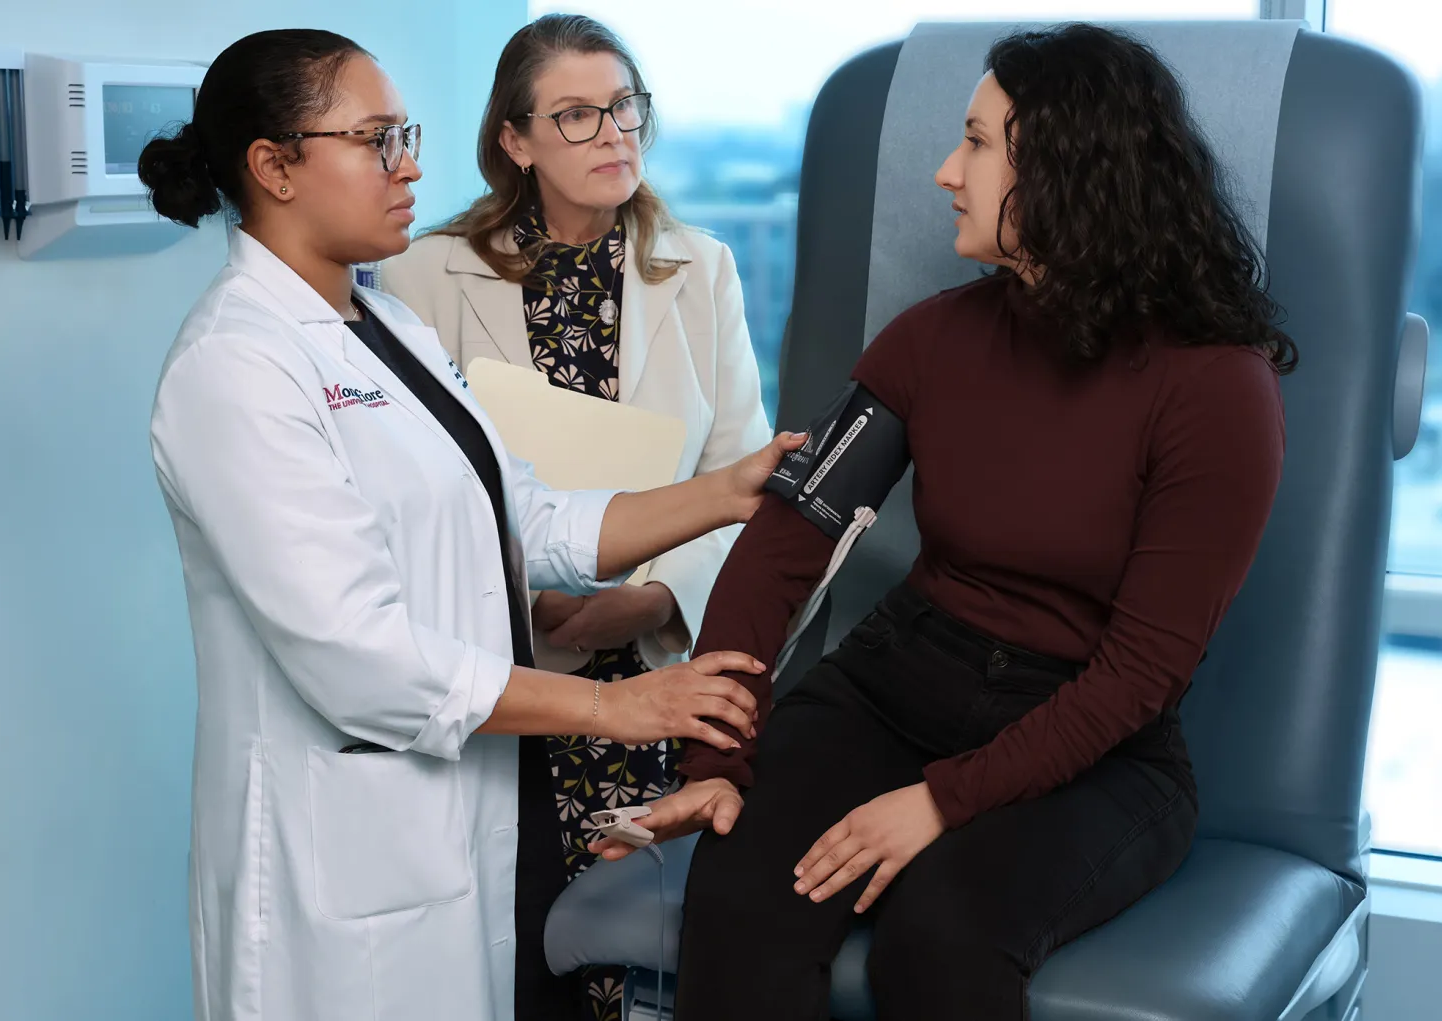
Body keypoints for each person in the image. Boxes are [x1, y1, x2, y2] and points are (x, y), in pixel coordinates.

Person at [589, 24, 1298, 1019]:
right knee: (744, 893)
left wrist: (939, 803)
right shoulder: (931, 340)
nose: (943, 171)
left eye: (974, 142)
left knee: (941, 938)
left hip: (1096, 745)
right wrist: (718, 759)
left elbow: (1141, 675)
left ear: (1062, 167)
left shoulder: (1217, 388)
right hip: (896, 684)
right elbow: (779, 553)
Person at [138, 29, 800, 1021]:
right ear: (272, 167)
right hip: (350, 857)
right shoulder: (235, 366)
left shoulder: (383, 328)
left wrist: (728, 491)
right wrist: (615, 708)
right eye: (373, 140)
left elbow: (520, 513)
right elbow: (360, 655)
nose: (408, 164)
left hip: (465, 810)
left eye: (403, 134)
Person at [376, 14, 771, 1019]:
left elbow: (740, 491)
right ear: (515, 141)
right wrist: (538, 599)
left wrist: (647, 599)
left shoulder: (702, 269)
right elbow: (412, 492)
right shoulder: (423, 278)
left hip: (653, 674)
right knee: (520, 948)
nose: (614, 134)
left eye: (626, 107)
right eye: (578, 114)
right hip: (508, 668)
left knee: (642, 961)